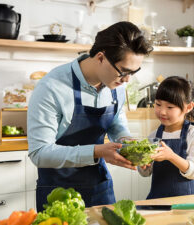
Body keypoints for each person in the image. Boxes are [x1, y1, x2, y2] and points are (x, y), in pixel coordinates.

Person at [27, 21, 153, 211]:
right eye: (124, 71)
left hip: (99, 187)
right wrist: (97, 151)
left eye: (133, 73)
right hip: (58, 193)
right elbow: (40, 153)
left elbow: (116, 126)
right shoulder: (52, 87)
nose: (127, 80)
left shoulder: (115, 85)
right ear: (101, 58)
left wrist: (132, 148)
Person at [138, 76, 194, 199]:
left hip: (188, 202)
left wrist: (171, 156)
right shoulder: (153, 136)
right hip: (159, 200)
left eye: (170, 107)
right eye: (158, 104)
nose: (162, 112)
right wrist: (144, 165)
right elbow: (145, 173)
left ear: (188, 107)